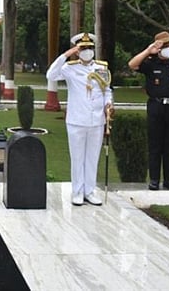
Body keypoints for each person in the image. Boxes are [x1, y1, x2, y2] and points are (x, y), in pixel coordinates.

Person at [45, 32, 114, 206]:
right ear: (77, 50)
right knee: (77, 158)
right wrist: (66, 55)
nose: (87, 51)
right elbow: (51, 75)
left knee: (92, 157)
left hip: (97, 120)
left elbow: (107, 90)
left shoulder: (101, 68)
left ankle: (89, 191)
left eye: (90, 48)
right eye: (83, 48)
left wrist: (109, 104)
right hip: (76, 120)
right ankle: (77, 192)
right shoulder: (69, 68)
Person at [128, 30, 169, 192]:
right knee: (155, 144)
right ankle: (154, 179)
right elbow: (132, 64)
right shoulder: (150, 63)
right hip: (156, 106)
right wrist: (149, 50)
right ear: (158, 47)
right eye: (165, 45)